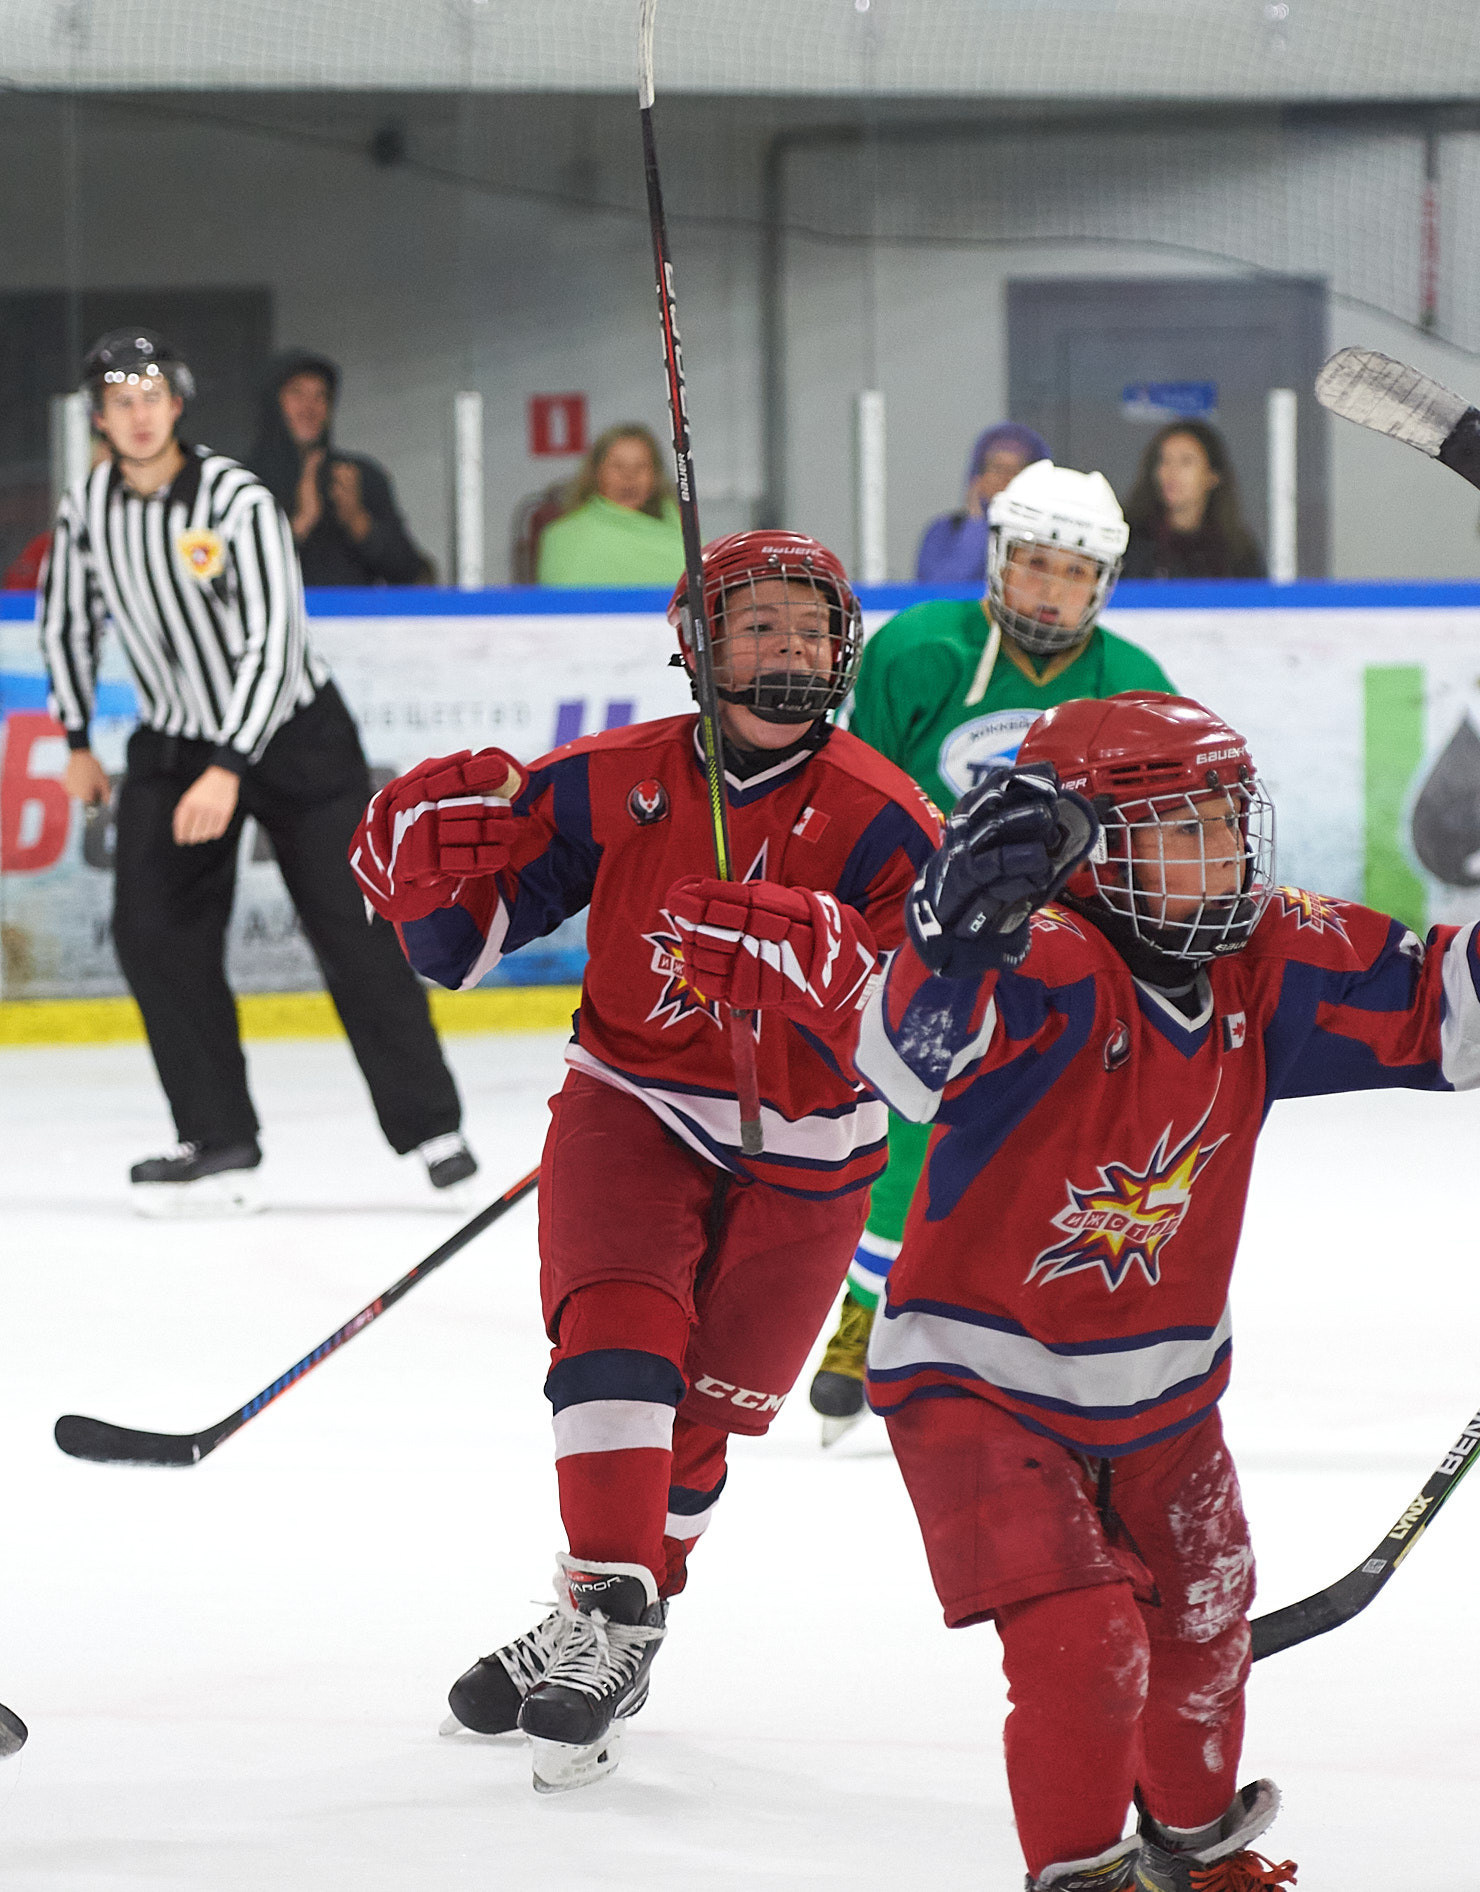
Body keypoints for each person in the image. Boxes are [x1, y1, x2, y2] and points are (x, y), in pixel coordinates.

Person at [851, 690, 1480, 1890]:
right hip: (982, 1384)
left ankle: (1198, 1852)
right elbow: (901, 1066)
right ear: (1085, 845)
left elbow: (1449, 1022)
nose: (1225, 852)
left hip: (1170, 1392)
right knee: (1085, 1652)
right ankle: (1087, 1876)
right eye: (1185, 828)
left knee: (1205, 1626)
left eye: (1230, 818)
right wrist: (948, 937)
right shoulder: (1048, 958)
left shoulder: (1265, 952)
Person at [352, 529, 937, 1793]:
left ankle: (607, 1616)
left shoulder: (892, 822)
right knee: (616, 1335)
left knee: (704, 1420)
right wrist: (413, 893)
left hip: (814, 1144)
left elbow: (931, 1050)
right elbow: (463, 942)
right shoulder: (608, 778)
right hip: (631, 1099)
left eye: (809, 626)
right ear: (696, 643)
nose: (789, 645)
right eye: (757, 624)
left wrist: (836, 970)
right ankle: (612, 1612)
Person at [37, 328, 474, 1213]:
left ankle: (432, 1125)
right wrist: (78, 738)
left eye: (151, 395)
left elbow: (276, 640)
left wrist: (232, 764)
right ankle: (218, 1137)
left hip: (293, 735)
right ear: (100, 416)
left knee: (352, 926)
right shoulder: (89, 506)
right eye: (120, 400)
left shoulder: (236, 497)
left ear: (178, 404)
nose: (138, 413)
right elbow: (66, 621)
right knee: (153, 930)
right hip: (175, 742)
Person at [807, 460, 1172, 1440]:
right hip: (930, 931)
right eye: (1034, 564)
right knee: (909, 1118)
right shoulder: (917, 651)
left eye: (1072, 571)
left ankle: (1029, 1320)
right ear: (999, 561)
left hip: (1068, 951)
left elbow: (1153, 848)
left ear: (1103, 583)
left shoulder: (1136, 686)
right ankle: (860, 1312)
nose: (1049, 589)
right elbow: (860, 794)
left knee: (1077, 1139)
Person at [243, 349, 430, 587]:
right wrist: (301, 523)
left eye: (320, 396)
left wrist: (357, 520)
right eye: (297, 394)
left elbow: (409, 572)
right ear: (273, 402)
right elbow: (233, 573)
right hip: (275, 622)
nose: (309, 408)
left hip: (353, 622)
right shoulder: (244, 480)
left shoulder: (360, 476)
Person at [536, 424, 686, 588]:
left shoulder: (683, 532)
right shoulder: (564, 537)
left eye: (640, 466)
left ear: (655, 476)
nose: (629, 477)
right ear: (596, 473)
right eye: (618, 466)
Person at [1118, 420, 1266, 579]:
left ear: (1212, 475)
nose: (1171, 472)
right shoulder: (1128, 542)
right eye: (1164, 461)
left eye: (1186, 461)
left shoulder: (1238, 552)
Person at [915, 422, 1048, 584]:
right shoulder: (944, 530)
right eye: (997, 468)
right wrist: (975, 523)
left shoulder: (1048, 533)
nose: (1006, 478)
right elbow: (942, 588)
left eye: (1016, 470)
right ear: (978, 476)